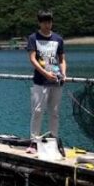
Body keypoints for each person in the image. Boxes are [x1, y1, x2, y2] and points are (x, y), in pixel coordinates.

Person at [27, 10, 67, 151]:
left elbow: (61, 60)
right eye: (44, 22)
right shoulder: (33, 38)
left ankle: (53, 139)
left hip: (56, 81)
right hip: (40, 81)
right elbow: (32, 59)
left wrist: (64, 73)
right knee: (38, 111)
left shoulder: (58, 39)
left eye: (49, 22)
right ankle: (33, 141)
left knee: (54, 112)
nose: (47, 24)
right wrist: (44, 73)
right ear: (39, 23)